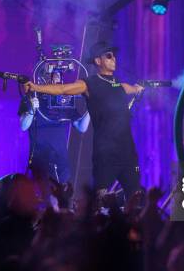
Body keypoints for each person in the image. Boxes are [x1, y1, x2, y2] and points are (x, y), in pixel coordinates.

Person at [24, 42, 144, 199]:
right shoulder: (89, 84)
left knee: (136, 197)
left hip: (128, 152)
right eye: (108, 55)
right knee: (102, 200)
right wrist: (36, 88)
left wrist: (139, 89)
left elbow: (134, 89)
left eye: (114, 55)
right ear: (98, 61)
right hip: (106, 154)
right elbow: (63, 89)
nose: (113, 58)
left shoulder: (119, 85)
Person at [19, 71, 90, 183]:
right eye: (54, 76)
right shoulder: (32, 96)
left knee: (62, 197)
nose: (57, 80)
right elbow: (23, 126)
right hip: (40, 162)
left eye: (59, 76)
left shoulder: (64, 101)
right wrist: (31, 110)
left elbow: (81, 127)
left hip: (61, 163)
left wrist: (91, 107)